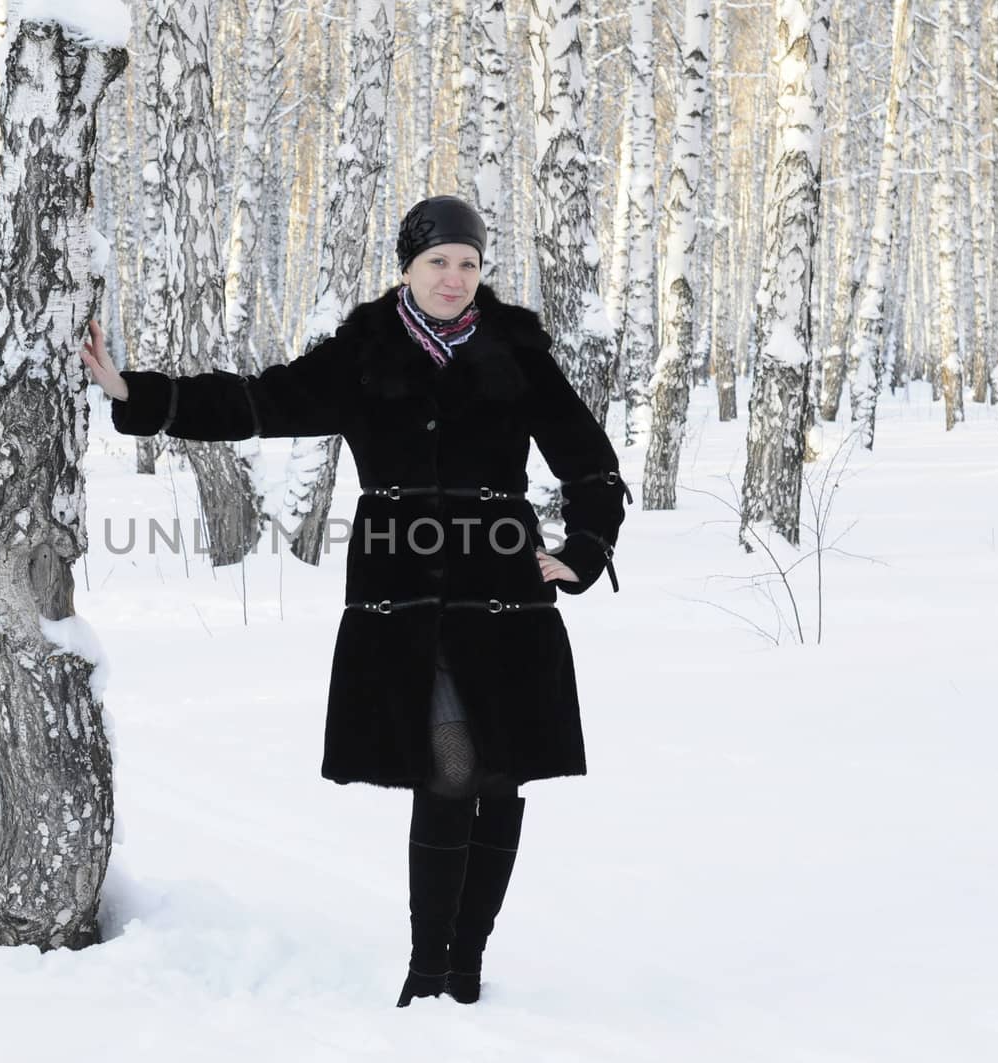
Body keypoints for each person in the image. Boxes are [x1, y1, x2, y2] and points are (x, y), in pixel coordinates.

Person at [78, 195, 629, 1007]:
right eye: (438, 261)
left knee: (500, 782)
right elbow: (258, 403)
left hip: (503, 600)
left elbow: (592, 466)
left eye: (468, 263)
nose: (453, 278)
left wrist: (582, 552)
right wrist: (139, 393)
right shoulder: (364, 355)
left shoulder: (518, 354)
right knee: (447, 770)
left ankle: (469, 960)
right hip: (404, 602)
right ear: (407, 266)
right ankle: (428, 968)